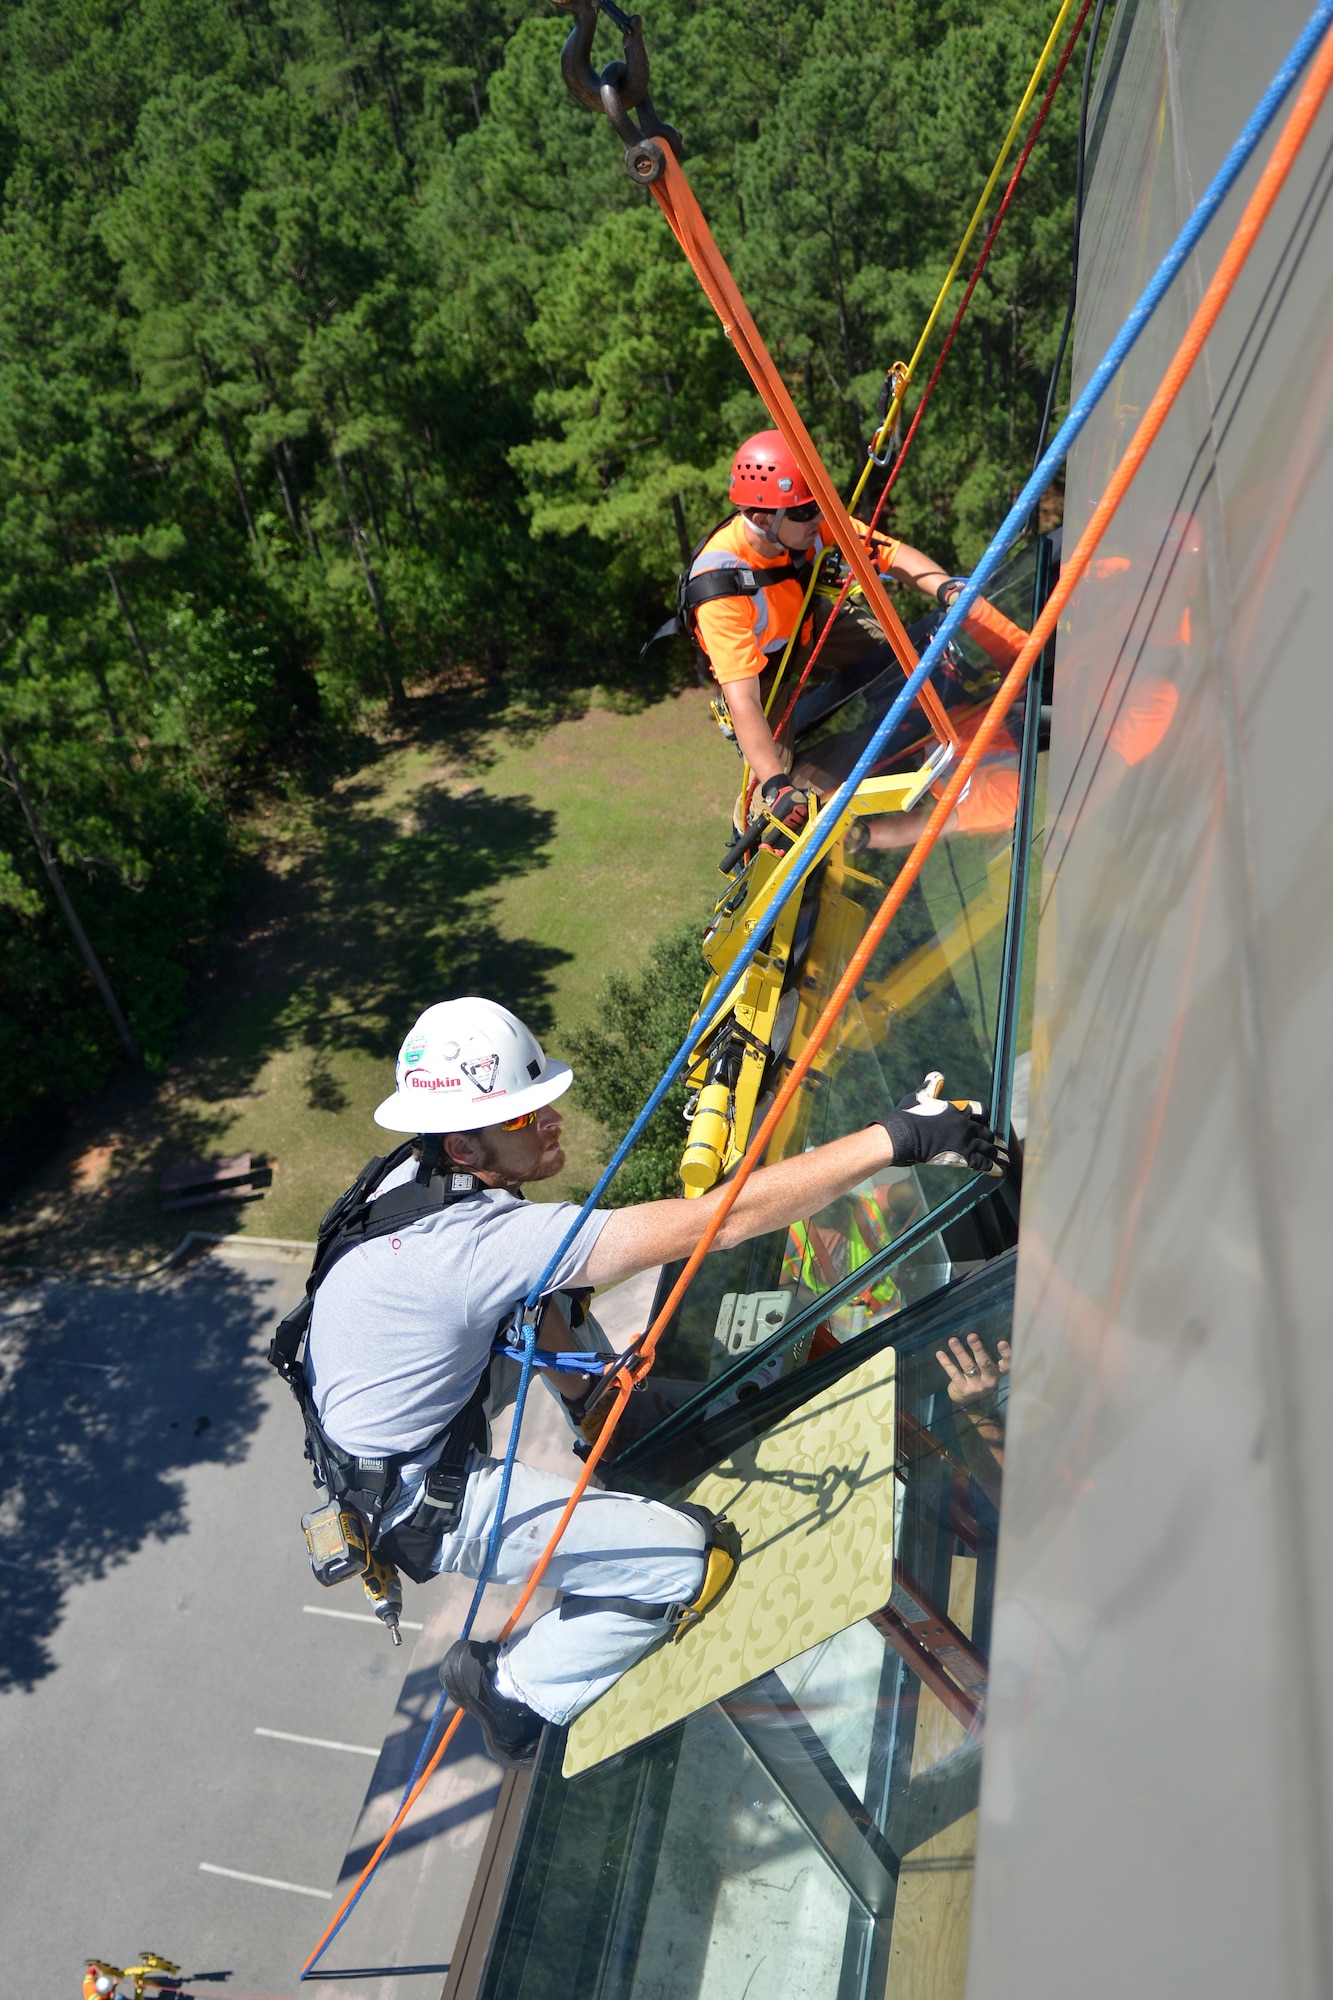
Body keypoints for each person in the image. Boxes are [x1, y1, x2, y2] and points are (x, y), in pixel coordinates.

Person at [302, 996, 1006, 1766]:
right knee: (684, 1562)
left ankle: (604, 1449)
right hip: (429, 1502)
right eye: (521, 1119)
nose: (550, 1121)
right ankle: (511, 1689)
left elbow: (525, 1308)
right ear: (464, 1148)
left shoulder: (411, 1179)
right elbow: (720, 1222)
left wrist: (594, 1405)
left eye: (542, 1106)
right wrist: (895, 1139)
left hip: (379, 1463)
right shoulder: (476, 1243)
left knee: (627, 1376)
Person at [684, 430, 1009, 843]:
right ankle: (759, 836)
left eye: (820, 506)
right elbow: (743, 698)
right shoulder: (720, 587)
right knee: (776, 800)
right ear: (764, 520)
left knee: (898, 661)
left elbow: (891, 554)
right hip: (764, 663)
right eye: (807, 512)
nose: (820, 519)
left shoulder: (805, 523)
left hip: (807, 617)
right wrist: (776, 786)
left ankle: (920, 711)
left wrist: (946, 588)